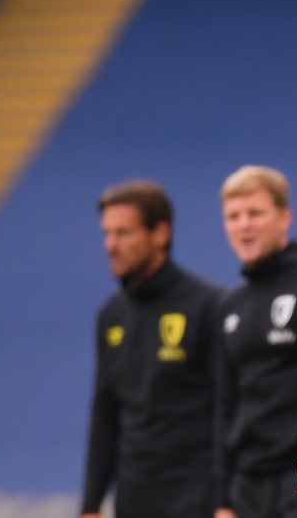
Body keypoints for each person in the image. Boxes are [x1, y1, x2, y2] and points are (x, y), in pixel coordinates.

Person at [214, 165, 297, 518]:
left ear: (284, 218)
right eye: (233, 216)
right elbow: (226, 405)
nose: (243, 224)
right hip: (246, 488)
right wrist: (222, 500)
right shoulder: (230, 306)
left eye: (255, 213)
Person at [80, 179, 223, 518]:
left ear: (160, 233)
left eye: (124, 233)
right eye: (107, 233)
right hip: (133, 500)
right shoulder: (111, 314)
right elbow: (105, 415)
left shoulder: (207, 305)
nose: (110, 245)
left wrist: (224, 501)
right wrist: (90, 505)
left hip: (196, 499)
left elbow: (226, 410)